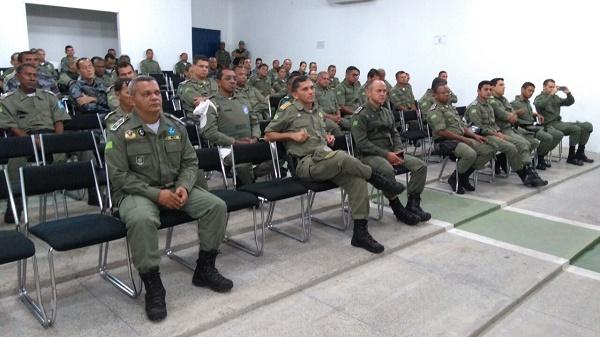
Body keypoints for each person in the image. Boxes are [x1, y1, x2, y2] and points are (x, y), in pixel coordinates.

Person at [105, 76, 232, 322]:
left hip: (175, 188)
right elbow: (118, 176)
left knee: (216, 206)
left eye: (156, 92)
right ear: (132, 99)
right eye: (146, 94)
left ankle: (205, 268)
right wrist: (157, 195)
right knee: (141, 220)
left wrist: (184, 186)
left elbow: (190, 162)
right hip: (138, 193)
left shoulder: (175, 126)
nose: (154, 97)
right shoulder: (120, 131)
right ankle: (153, 285)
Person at [265, 76, 407, 254]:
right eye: (305, 89)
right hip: (305, 164)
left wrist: (326, 136)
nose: (310, 92)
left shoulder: (316, 109)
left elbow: (318, 130)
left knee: (357, 180)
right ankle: (378, 180)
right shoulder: (288, 110)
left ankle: (360, 233)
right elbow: (268, 134)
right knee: (342, 156)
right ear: (295, 94)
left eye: (311, 88)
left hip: (325, 158)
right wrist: (291, 136)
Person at [0, 63, 71, 223]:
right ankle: (14, 208)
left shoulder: (49, 96)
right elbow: (12, 127)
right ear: (18, 77)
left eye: (34, 75)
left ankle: (89, 197)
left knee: (75, 153)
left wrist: (56, 141)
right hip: (23, 139)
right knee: (15, 166)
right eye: (28, 75)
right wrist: (33, 141)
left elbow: (59, 120)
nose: (32, 78)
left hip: (51, 136)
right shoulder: (7, 101)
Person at [352, 80, 429, 224]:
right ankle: (397, 207)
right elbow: (362, 144)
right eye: (378, 91)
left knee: (420, 166)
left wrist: (398, 151)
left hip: (390, 152)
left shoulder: (387, 112)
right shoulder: (360, 115)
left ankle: (413, 204)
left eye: (384, 91)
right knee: (387, 170)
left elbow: (395, 133)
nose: (382, 94)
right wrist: (388, 155)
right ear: (368, 93)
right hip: (369, 156)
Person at [466, 81, 547, 187]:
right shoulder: (474, 107)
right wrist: (496, 133)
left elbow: (493, 123)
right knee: (512, 147)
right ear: (478, 91)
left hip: (495, 133)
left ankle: (528, 174)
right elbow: (476, 128)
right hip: (483, 136)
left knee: (520, 144)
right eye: (486, 90)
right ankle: (526, 174)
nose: (489, 92)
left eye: (490, 90)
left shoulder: (488, 105)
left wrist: (498, 131)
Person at [427, 82, 495, 194]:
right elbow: (442, 132)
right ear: (435, 95)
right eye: (443, 93)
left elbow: (462, 126)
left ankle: (463, 176)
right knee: (470, 153)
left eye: (448, 92)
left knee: (488, 150)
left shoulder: (450, 107)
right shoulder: (434, 111)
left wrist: (474, 136)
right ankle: (455, 178)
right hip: (445, 142)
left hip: (460, 138)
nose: (447, 95)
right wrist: (464, 139)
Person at [201, 68, 261, 185]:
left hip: (251, 144)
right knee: (243, 164)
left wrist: (255, 137)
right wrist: (235, 142)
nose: (233, 81)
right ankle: (250, 188)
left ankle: (246, 178)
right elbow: (209, 132)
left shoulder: (243, 99)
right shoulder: (211, 103)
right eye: (228, 78)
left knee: (278, 156)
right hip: (227, 148)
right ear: (218, 82)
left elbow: (255, 122)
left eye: (234, 78)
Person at [534, 79, 594, 165]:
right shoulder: (539, 98)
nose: (552, 89)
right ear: (544, 87)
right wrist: (551, 94)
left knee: (587, 126)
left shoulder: (555, 98)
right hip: (549, 125)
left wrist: (568, 93)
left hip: (559, 123)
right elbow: (540, 105)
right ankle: (571, 156)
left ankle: (580, 153)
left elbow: (569, 102)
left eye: (554, 87)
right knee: (575, 129)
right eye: (550, 87)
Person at [489, 78, 540, 173]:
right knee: (525, 144)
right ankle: (525, 169)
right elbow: (505, 115)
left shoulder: (504, 99)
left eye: (504, 85)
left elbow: (512, 114)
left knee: (533, 142)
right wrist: (512, 115)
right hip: (501, 130)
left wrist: (512, 115)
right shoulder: (491, 101)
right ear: (492, 87)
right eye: (501, 85)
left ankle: (509, 161)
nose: (504, 87)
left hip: (511, 128)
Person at [511, 82, 564, 170]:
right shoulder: (514, 103)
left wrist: (536, 114)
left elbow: (527, 113)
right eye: (529, 90)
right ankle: (539, 158)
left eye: (532, 91)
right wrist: (522, 120)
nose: (531, 93)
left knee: (558, 134)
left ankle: (541, 156)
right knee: (548, 138)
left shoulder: (527, 102)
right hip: (525, 128)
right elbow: (512, 117)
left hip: (534, 126)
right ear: (522, 90)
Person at [314, 71, 344, 137]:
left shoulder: (330, 90)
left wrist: (338, 116)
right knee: (335, 128)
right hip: (322, 118)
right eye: (324, 79)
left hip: (335, 117)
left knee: (349, 124)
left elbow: (337, 106)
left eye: (328, 79)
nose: (326, 81)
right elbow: (316, 110)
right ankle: (341, 144)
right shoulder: (313, 91)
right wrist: (333, 118)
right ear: (318, 79)